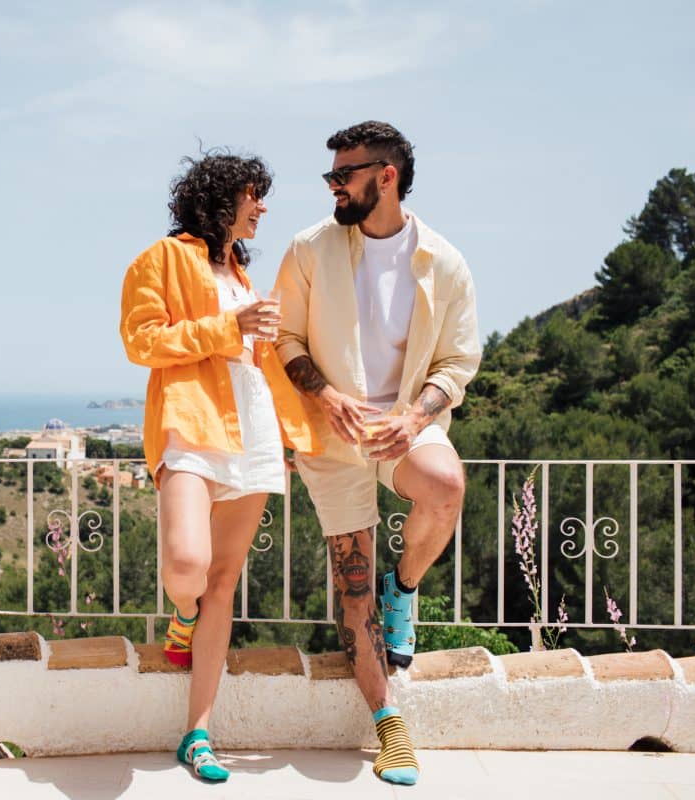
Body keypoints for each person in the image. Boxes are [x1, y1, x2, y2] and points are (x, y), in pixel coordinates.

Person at [274, 121, 481, 786]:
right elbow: (284, 340)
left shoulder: (443, 262)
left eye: (345, 175)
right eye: (331, 176)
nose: (333, 186)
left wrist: (417, 415)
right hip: (333, 441)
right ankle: (390, 726)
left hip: (402, 427)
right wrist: (326, 395)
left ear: (385, 176)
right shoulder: (310, 249)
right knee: (352, 595)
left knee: (446, 485)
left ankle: (408, 588)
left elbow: (457, 362)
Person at [120, 151, 321, 783]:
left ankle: (198, 732)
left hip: (254, 429)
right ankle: (182, 619)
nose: (261, 207)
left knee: (225, 581)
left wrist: (296, 429)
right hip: (191, 422)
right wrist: (225, 325)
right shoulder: (162, 258)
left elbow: (257, 357)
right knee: (188, 571)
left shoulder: (240, 273)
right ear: (221, 197)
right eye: (253, 195)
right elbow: (141, 341)